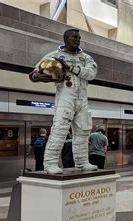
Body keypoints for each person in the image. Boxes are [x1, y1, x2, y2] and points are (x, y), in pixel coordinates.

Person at [29, 28, 98, 174]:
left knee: (83, 131)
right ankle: (50, 164)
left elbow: (91, 74)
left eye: (79, 38)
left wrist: (69, 67)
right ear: (66, 39)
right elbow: (35, 73)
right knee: (59, 130)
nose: (77, 40)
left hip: (82, 99)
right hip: (66, 98)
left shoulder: (86, 57)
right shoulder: (54, 56)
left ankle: (82, 162)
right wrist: (39, 77)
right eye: (74, 37)